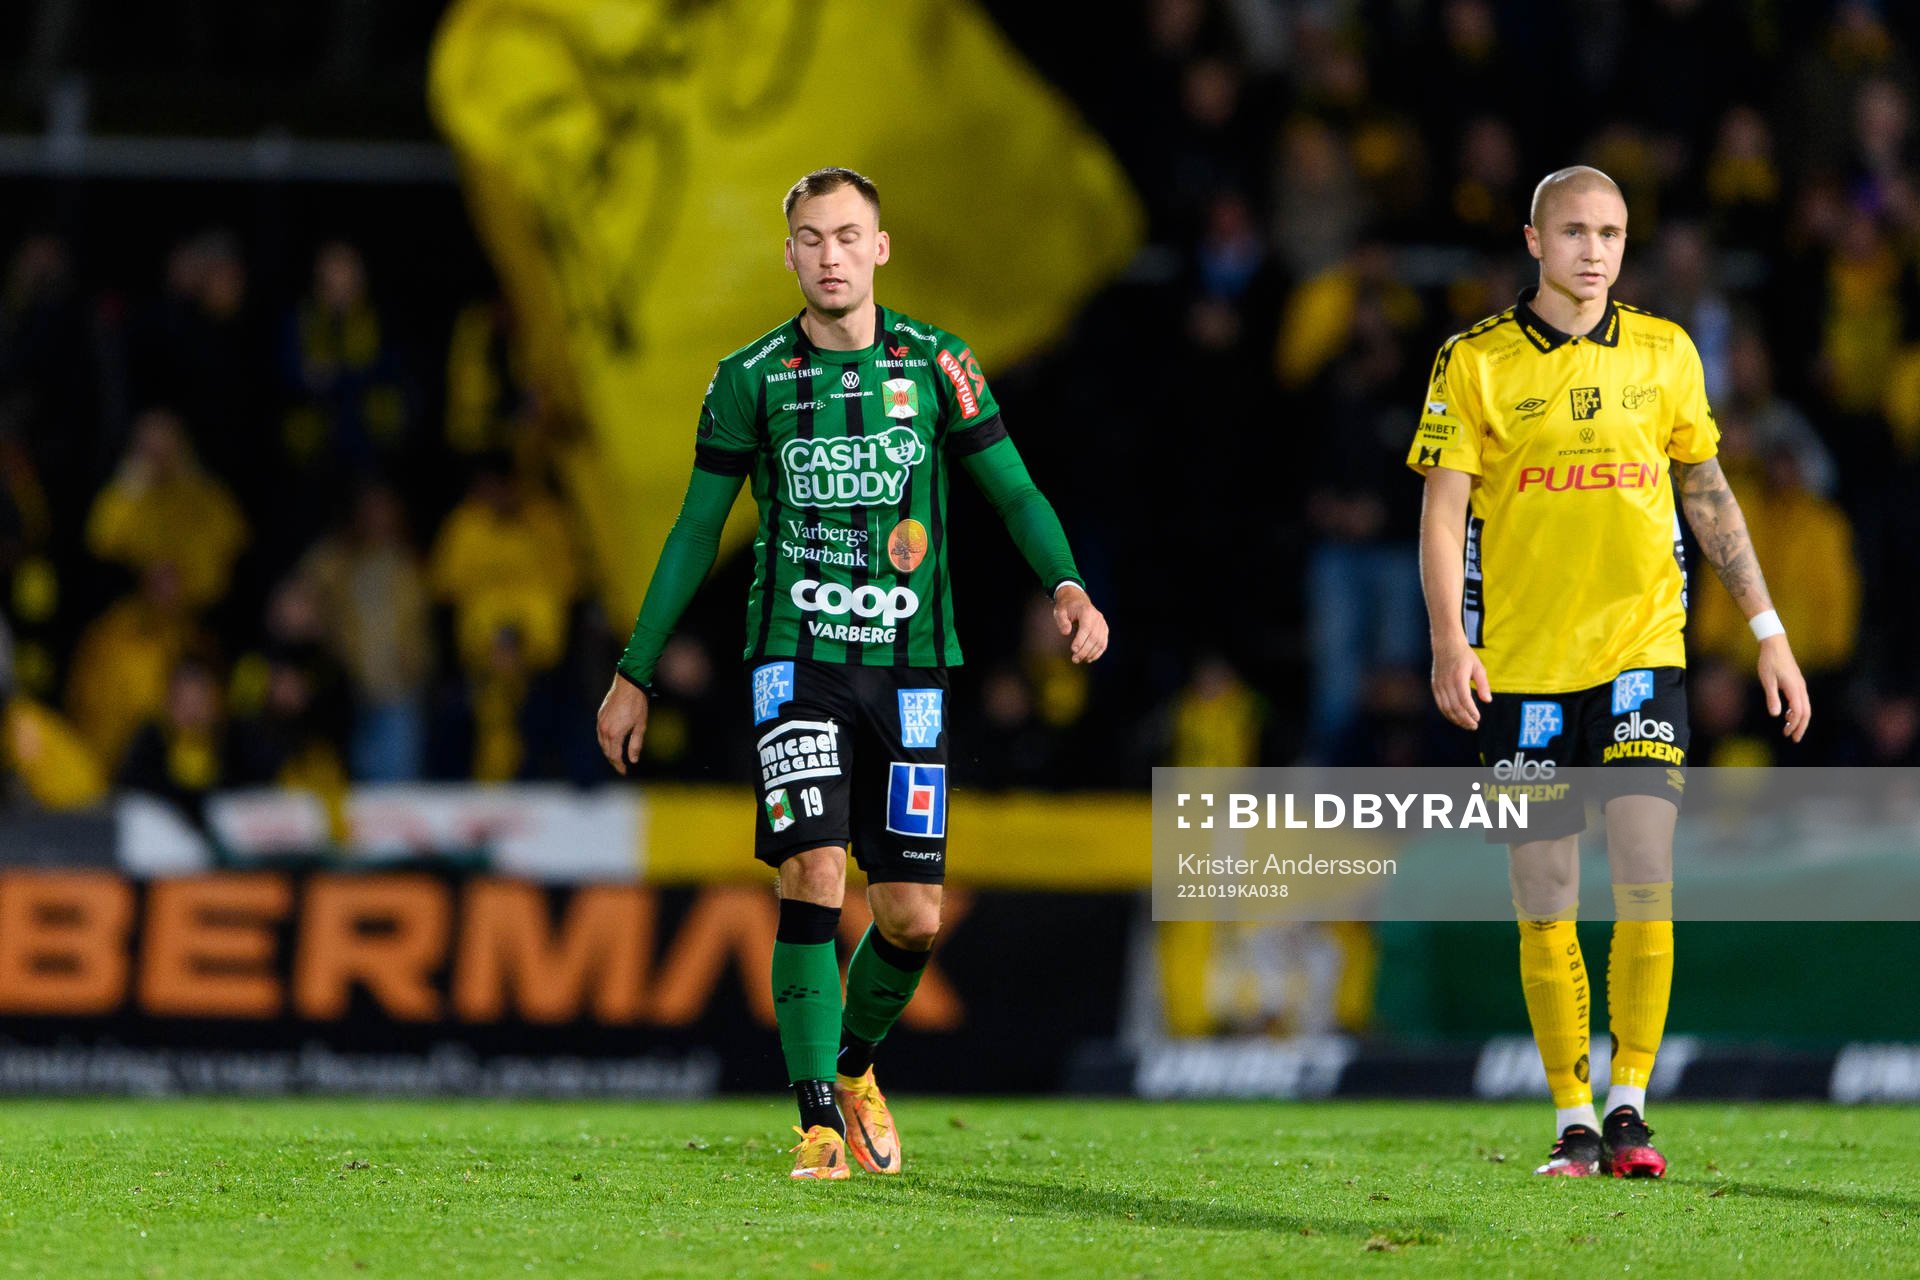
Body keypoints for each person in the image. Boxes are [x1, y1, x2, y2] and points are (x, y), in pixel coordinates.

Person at [594, 168, 1108, 1181]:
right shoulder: (750, 377)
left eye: (847, 236)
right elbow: (699, 530)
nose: (829, 255)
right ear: (787, 254)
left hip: (913, 670)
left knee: (914, 913)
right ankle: (816, 1119)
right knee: (814, 871)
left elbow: (1012, 487)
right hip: (796, 662)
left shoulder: (940, 363)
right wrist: (634, 669)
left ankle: (856, 1063)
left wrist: (1068, 583)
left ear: (880, 249)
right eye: (810, 239)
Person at [1408, 166, 1811, 1180]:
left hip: (1642, 651)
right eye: (1576, 230)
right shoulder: (1475, 360)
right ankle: (1573, 1114)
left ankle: (1631, 1103)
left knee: (1645, 867)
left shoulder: (1667, 354)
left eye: (1612, 232)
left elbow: (1709, 491)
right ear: (1534, 240)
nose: (1594, 250)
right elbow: (1445, 510)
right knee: (1545, 890)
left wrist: (1766, 625)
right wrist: (1451, 644)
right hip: (1527, 666)